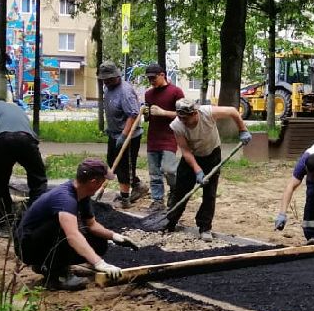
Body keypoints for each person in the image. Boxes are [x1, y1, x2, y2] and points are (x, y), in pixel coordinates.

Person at [15, 158, 131, 291]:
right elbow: (73, 236)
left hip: (42, 240)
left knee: (99, 242)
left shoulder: (82, 194)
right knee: (62, 227)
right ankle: (57, 276)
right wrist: (99, 263)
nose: (103, 184)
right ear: (93, 182)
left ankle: (46, 264)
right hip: (28, 247)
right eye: (102, 181)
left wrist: (114, 236)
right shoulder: (65, 198)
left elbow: (92, 225)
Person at [164, 98, 252, 239]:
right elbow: (185, 151)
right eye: (180, 117)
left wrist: (243, 130)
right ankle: (170, 221)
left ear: (195, 113)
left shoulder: (207, 113)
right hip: (192, 157)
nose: (183, 121)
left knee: (209, 194)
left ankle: (204, 227)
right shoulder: (177, 125)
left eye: (185, 118)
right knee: (180, 191)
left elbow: (233, 111)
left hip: (212, 155)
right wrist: (197, 170)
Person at [99, 63, 146, 207]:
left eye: (109, 79)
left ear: (117, 76)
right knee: (112, 161)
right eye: (104, 79)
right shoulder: (108, 88)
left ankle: (125, 199)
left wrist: (124, 136)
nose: (106, 82)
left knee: (124, 165)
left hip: (129, 136)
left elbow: (133, 114)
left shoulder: (125, 91)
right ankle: (137, 185)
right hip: (114, 133)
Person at [141, 63, 184, 210]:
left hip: (170, 137)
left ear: (162, 75)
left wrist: (164, 113)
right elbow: (148, 118)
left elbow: (183, 115)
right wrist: (146, 114)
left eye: (153, 78)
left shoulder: (176, 92)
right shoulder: (148, 94)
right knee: (154, 173)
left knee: (169, 170)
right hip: (153, 138)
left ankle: (175, 191)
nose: (151, 81)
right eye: (149, 79)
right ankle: (158, 201)